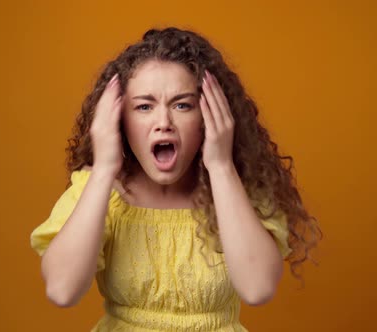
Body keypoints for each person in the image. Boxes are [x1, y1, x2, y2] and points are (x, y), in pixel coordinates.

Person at [30, 26, 322, 331]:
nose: (163, 123)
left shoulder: (239, 188)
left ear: (209, 117)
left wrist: (221, 166)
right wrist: (103, 170)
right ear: (120, 120)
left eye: (182, 105)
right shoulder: (96, 190)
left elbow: (258, 288)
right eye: (144, 106)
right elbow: (62, 290)